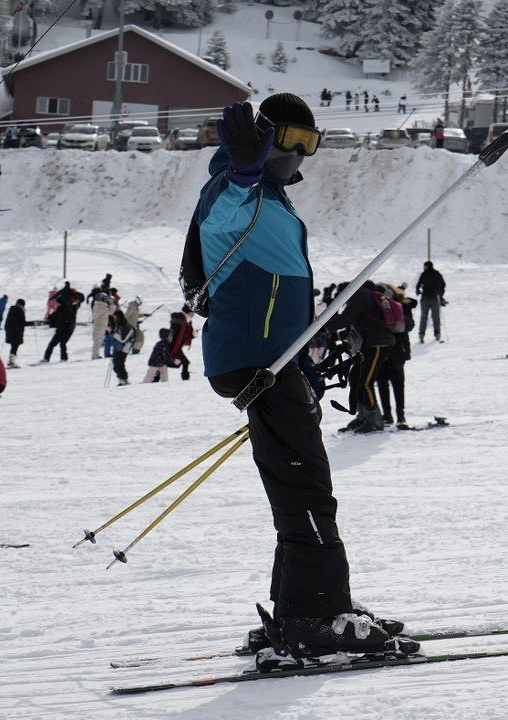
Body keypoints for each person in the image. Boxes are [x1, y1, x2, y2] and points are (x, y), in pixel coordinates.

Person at [180, 94, 393, 654]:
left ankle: (300, 605)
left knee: (297, 489)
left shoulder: (270, 198)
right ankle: (317, 618)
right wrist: (244, 173)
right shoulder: (234, 191)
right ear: (261, 138)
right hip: (257, 362)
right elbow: (221, 218)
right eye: (290, 140)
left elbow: (278, 287)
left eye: (310, 144)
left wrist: (305, 351)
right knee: (307, 492)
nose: (299, 155)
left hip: (274, 360)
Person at [325, 283, 394, 433]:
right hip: (370, 343)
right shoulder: (361, 296)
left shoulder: (359, 296)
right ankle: (363, 416)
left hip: (378, 343)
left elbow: (346, 318)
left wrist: (323, 327)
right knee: (355, 378)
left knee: (365, 382)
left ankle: (375, 420)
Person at [376, 283, 415, 426]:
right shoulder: (400, 305)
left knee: (383, 384)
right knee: (397, 385)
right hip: (398, 350)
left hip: (381, 350)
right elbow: (409, 327)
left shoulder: (376, 306)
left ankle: (389, 415)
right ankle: (399, 416)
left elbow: (408, 326)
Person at [43, 281, 81, 362]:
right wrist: (49, 318)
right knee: (53, 344)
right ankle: (46, 358)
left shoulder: (69, 309)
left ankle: (63, 358)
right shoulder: (60, 309)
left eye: (58, 303)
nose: (57, 304)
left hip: (67, 329)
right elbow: (53, 318)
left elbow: (71, 317)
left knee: (62, 343)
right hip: (61, 329)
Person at [416, 260, 445, 342]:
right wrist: (440, 292)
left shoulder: (424, 274)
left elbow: (418, 285)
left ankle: (421, 334)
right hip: (434, 298)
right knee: (436, 317)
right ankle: (437, 333)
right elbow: (443, 284)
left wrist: (418, 291)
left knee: (423, 317)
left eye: (424, 266)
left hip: (425, 298)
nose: (424, 268)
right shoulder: (437, 274)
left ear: (427, 266)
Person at [168, 307, 194, 380]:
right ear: (187, 313)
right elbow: (172, 332)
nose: (192, 316)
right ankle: (185, 379)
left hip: (177, 347)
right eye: (191, 314)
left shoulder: (187, 323)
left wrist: (193, 335)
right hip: (173, 346)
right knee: (184, 362)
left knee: (182, 362)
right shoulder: (179, 320)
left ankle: (156, 375)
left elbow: (186, 336)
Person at [4, 298, 26, 368]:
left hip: (9, 331)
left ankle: (11, 361)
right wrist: (32, 323)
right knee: (15, 346)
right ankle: (11, 362)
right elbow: (22, 322)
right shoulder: (20, 310)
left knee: (14, 346)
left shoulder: (12, 310)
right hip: (16, 332)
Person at [91, 289, 113, 360]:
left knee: (98, 341)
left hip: (101, 325)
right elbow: (111, 312)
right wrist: (112, 304)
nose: (106, 300)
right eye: (105, 298)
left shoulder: (99, 305)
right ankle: (95, 356)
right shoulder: (101, 306)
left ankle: (95, 355)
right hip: (100, 326)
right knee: (98, 341)